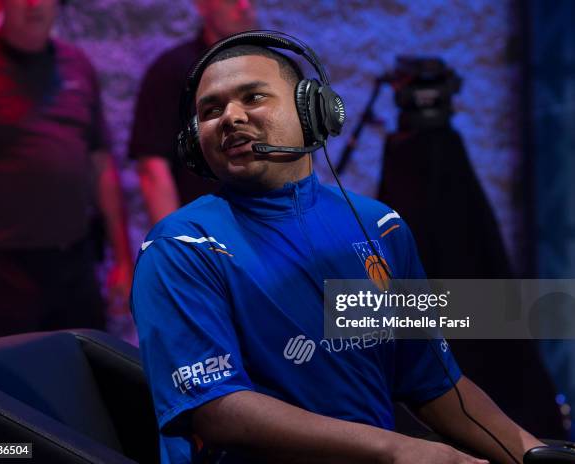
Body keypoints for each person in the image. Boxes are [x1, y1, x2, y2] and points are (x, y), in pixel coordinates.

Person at [131, 32, 545, 463]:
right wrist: (398, 449)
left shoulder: (379, 228)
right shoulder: (180, 247)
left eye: (253, 97)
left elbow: (434, 383)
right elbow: (218, 409)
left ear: (313, 111)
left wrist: (530, 451)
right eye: (211, 110)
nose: (230, 117)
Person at [0, 0, 132, 341]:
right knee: (12, 384)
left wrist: (124, 258)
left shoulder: (77, 65)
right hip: (0, 266)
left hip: (74, 259)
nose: (33, 4)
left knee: (85, 371)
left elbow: (101, 164)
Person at [128, 0, 257, 225]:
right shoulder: (173, 71)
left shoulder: (274, 69)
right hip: (205, 235)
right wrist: (176, 245)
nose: (244, 6)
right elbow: (153, 168)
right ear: (202, 5)